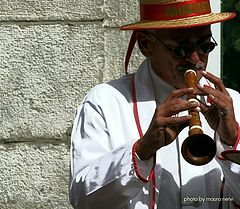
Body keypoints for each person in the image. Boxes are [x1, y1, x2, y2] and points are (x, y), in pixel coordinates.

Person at [69, 0, 240, 208]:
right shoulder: (105, 102)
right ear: (145, 44)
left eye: (205, 46)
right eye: (181, 49)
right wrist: (142, 150)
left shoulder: (233, 103)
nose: (196, 60)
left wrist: (232, 140)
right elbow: (83, 200)